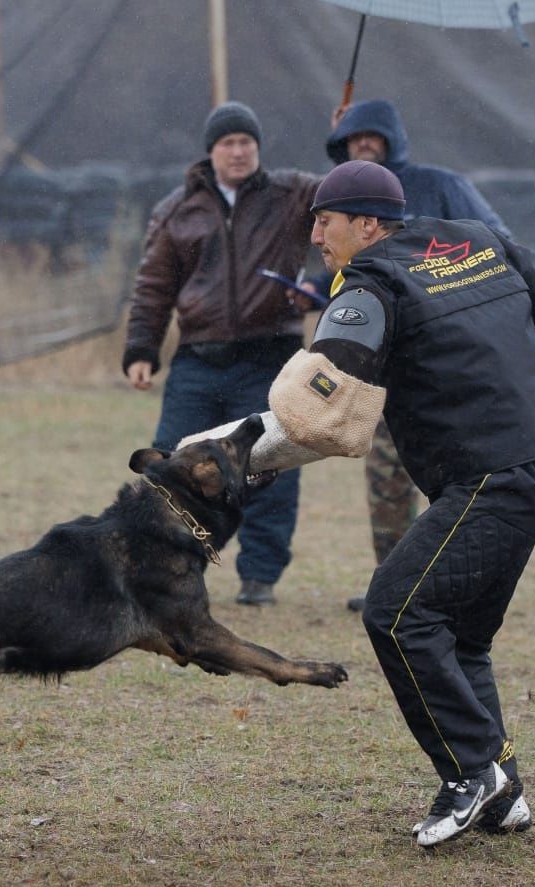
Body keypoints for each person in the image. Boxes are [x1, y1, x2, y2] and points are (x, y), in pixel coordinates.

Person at [186, 160, 535, 846]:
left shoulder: (370, 284)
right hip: (533, 472)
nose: (314, 235)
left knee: (396, 614)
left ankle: (469, 775)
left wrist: (231, 457)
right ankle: (502, 791)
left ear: (367, 224)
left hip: (486, 483)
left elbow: (318, 402)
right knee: (460, 637)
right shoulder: (476, 239)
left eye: (324, 221)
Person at [307, 99, 511, 615]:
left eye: (373, 137)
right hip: (385, 369)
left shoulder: (441, 186)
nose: (364, 145)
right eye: (354, 140)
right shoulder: (343, 199)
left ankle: (456, 586)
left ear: (395, 138)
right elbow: (339, 267)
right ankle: (394, 584)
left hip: (447, 365)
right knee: (387, 482)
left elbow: (498, 244)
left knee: (456, 482)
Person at [122, 101, 320, 606]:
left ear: (258, 148)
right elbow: (153, 286)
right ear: (210, 152)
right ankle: (163, 567)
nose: (238, 152)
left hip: (269, 357)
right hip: (198, 358)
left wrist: (319, 283)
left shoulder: (293, 195)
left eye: (246, 143)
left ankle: (260, 577)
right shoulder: (177, 210)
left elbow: (350, 200)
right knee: (169, 464)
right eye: (228, 143)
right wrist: (142, 348)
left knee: (269, 466)